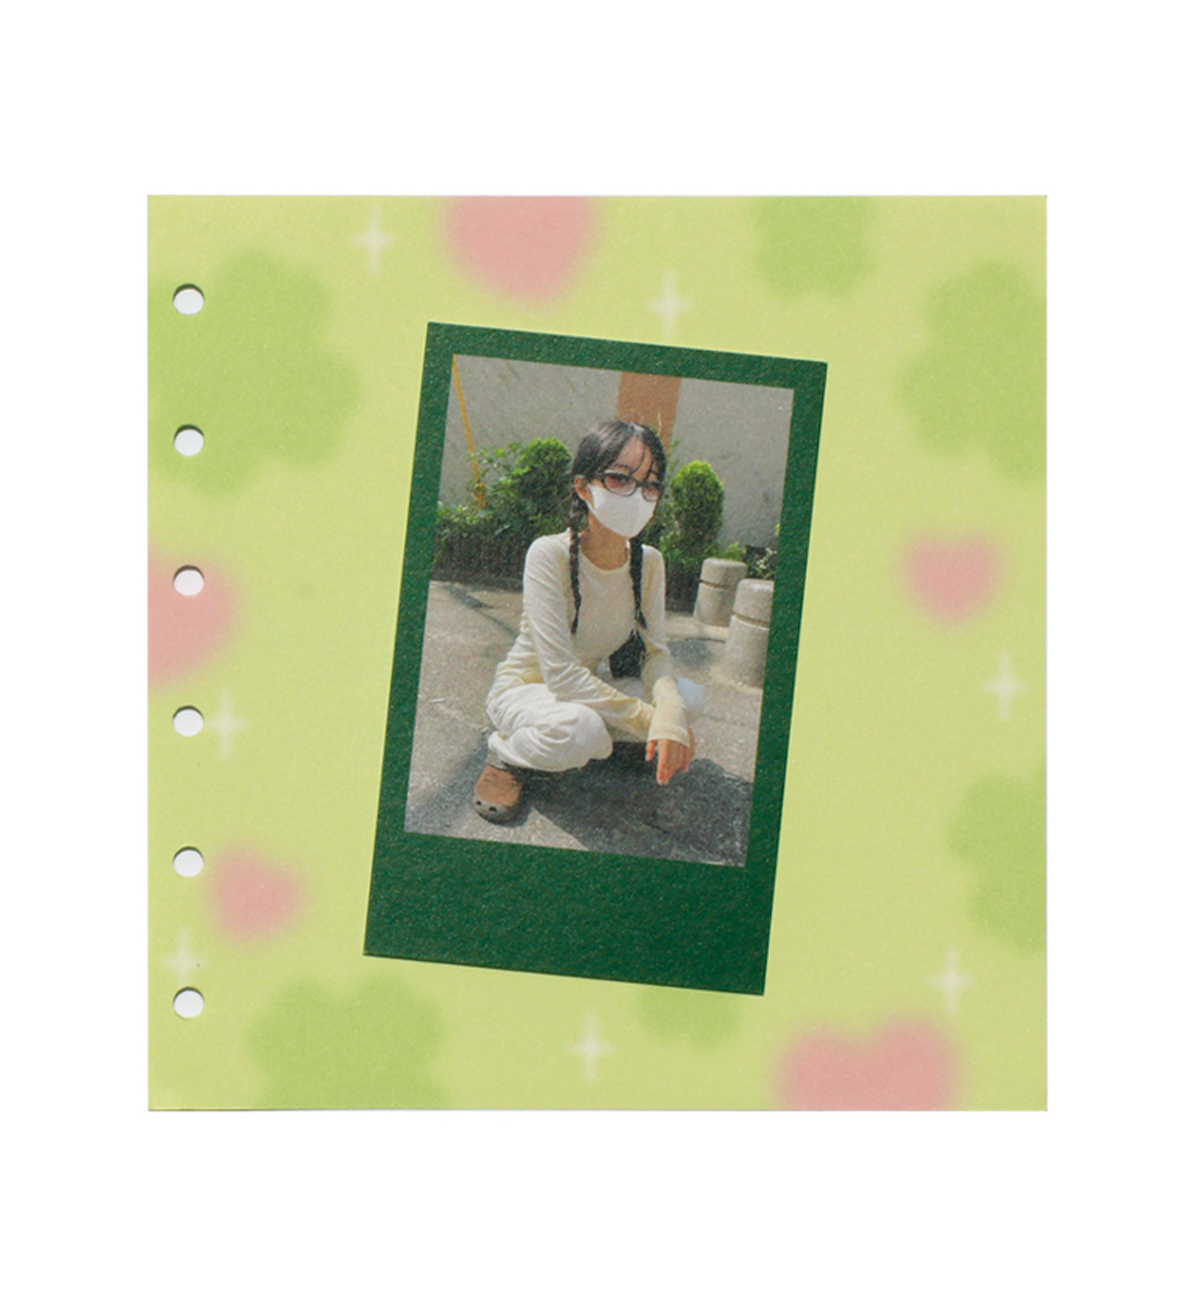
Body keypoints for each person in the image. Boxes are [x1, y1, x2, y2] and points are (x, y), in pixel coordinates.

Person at [473, 420, 703, 823]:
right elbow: (560, 675)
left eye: (650, 485)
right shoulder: (549, 554)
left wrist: (669, 713)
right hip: (528, 691)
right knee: (582, 730)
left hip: (585, 691)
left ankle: (615, 744)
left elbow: (655, 654)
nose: (637, 495)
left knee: (689, 698)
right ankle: (506, 756)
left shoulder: (650, 562)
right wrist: (650, 720)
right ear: (583, 487)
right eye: (620, 478)